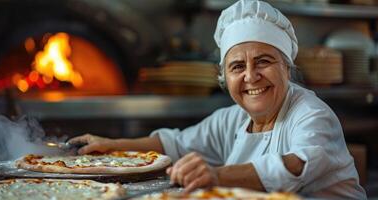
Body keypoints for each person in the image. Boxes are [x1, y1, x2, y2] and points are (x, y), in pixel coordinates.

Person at [69, 0, 367, 199]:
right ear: (225, 78)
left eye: (263, 61)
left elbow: (298, 164)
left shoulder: (311, 114)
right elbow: (174, 143)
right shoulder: (233, 119)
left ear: (286, 67)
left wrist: (216, 174)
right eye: (237, 67)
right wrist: (112, 145)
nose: (251, 76)